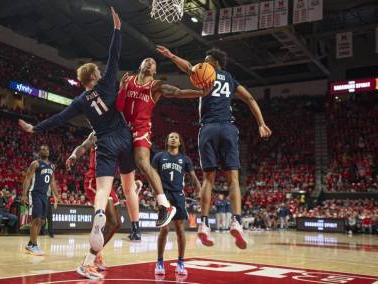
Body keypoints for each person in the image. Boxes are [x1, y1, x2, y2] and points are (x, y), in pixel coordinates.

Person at [17, 8, 163, 280]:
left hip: (104, 141)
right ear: (95, 76)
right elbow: (114, 55)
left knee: (104, 189)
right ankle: (140, 215)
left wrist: (35, 128)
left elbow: (59, 118)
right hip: (123, 137)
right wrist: (117, 30)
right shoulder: (108, 82)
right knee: (130, 182)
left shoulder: (80, 101)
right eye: (98, 70)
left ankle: (98, 214)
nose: (101, 69)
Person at [157, 45, 272, 249]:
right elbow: (250, 98)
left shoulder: (205, 72)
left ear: (215, 62)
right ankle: (236, 221)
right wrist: (261, 123)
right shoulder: (229, 78)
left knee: (208, 179)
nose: (204, 62)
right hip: (228, 128)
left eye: (207, 59)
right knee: (233, 179)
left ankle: (203, 223)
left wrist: (172, 55)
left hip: (208, 129)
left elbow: (188, 68)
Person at [116, 56, 213, 230]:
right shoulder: (128, 80)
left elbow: (178, 92)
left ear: (155, 71)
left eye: (153, 63)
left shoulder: (156, 86)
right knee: (121, 168)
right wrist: (121, 89)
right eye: (146, 61)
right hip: (123, 128)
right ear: (140, 65)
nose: (149, 63)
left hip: (141, 128)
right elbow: (119, 106)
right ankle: (130, 196)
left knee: (142, 161)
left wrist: (200, 93)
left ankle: (164, 204)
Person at [66, 131, 142, 270]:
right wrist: (74, 155)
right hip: (94, 180)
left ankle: (97, 253)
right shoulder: (97, 132)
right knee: (112, 222)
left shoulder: (122, 134)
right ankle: (90, 258)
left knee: (117, 223)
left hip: (108, 180)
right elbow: (83, 147)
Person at [152, 132, 201, 276]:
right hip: (164, 195)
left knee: (180, 230)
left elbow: (193, 177)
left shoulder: (185, 159)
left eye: (176, 137)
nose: (173, 138)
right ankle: (160, 262)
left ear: (180, 143)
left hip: (179, 196)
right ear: (167, 141)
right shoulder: (159, 157)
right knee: (164, 229)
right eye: (170, 137)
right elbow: (152, 177)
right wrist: (157, 197)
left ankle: (180, 262)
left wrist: (200, 191)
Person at [21, 145, 59, 255]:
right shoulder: (35, 163)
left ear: (49, 152)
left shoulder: (52, 166)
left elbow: (52, 181)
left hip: (44, 196)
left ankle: (30, 244)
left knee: (42, 221)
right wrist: (24, 194)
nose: (45, 150)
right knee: (36, 219)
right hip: (34, 193)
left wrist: (56, 195)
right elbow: (28, 179)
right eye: (42, 149)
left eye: (47, 149)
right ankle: (34, 245)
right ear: (39, 152)